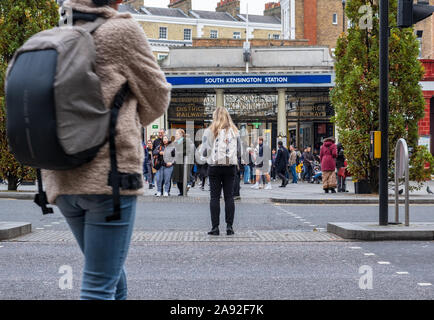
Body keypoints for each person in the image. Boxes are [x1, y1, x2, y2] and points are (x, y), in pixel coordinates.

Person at [45, 0, 171, 300]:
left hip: (60, 178)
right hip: (107, 179)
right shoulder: (122, 29)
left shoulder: (59, 30)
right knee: (99, 287)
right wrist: (126, 117)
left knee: (110, 275)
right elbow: (158, 97)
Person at [199, 107, 241, 236]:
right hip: (230, 166)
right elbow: (239, 151)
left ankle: (215, 228)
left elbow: (204, 151)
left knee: (214, 197)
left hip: (214, 166)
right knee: (229, 197)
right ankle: (229, 227)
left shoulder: (209, 131)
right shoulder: (235, 131)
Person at [171, 129, 194, 196]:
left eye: (177, 134)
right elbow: (173, 152)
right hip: (177, 162)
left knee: (183, 178)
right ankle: (181, 191)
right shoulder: (176, 142)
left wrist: (177, 152)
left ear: (181, 134)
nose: (175, 135)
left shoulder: (186, 141)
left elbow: (187, 151)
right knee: (178, 178)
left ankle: (184, 190)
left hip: (184, 162)